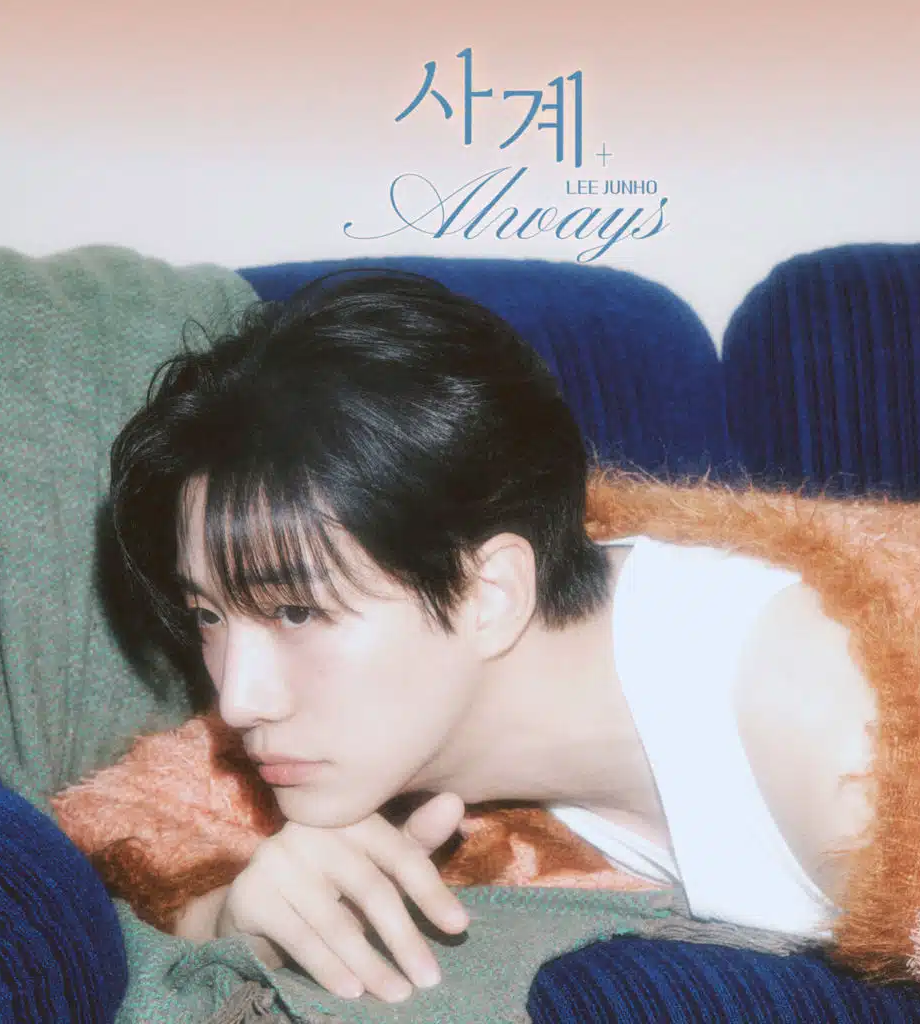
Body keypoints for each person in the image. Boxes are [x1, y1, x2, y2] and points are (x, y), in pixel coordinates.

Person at [106, 271, 878, 1005]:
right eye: (208, 615)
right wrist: (229, 918)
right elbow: (132, 822)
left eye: (296, 613)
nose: (238, 701)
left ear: (490, 596)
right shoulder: (386, 707)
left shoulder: (838, 740)